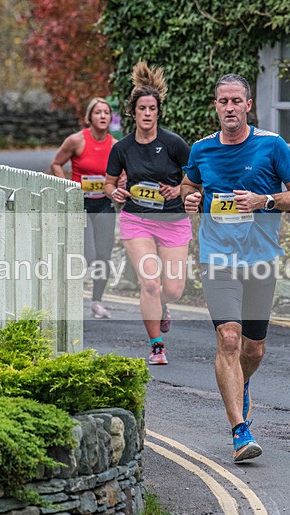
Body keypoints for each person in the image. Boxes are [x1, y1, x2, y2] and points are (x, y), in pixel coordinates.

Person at [181, 73, 290, 462]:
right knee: (230, 340)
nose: (230, 107)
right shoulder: (201, 150)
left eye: (237, 100)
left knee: (253, 350)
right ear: (216, 106)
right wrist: (191, 199)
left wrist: (263, 201)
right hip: (217, 258)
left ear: (248, 105)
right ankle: (240, 430)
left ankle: (239, 383)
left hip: (261, 259)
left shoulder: (271, 146)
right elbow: (189, 187)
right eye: (223, 101)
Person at [104, 61, 191, 365]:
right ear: (133, 112)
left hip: (173, 220)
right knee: (151, 283)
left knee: (174, 289)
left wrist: (178, 189)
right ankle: (156, 345)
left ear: (158, 111)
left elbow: (196, 178)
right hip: (136, 218)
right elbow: (109, 183)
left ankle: (164, 306)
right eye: (142, 108)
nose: (147, 113)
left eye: (152, 108)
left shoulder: (174, 144)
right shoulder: (122, 148)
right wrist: (112, 192)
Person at [51, 97, 119, 319]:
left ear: (110, 118)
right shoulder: (76, 140)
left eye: (106, 113)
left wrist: (120, 184)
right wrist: (67, 184)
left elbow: (122, 173)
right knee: (88, 255)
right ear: (89, 117)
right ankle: (64, 292)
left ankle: (97, 302)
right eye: (98, 112)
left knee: (103, 254)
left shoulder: (114, 145)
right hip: (80, 204)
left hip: (103, 203)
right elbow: (56, 163)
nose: (102, 116)